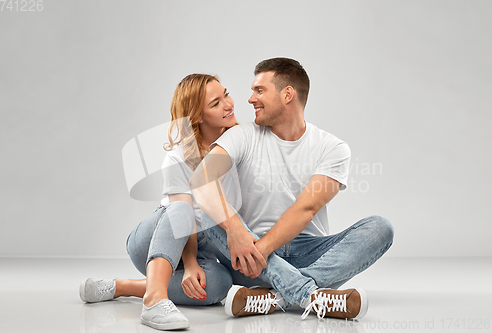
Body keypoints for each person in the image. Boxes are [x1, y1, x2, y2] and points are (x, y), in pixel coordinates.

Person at [190, 58, 394, 321]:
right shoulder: (241, 135)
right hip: (247, 257)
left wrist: (261, 251)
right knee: (209, 213)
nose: (251, 99)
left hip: (301, 254)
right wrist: (235, 229)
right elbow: (200, 180)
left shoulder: (332, 148)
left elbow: (305, 209)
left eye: (259, 90)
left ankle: (274, 297)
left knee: (380, 228)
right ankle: (311, 295)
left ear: (288, 94)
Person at [79, 74, 239, 330]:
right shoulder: (178, 158)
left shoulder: (237, 145)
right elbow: (181, 216)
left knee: (220, 284)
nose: (229, 104)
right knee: (181, 209)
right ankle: (154, 301)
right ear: (197, 116)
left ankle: (123, 287)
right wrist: (189, 264)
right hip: (158, 237)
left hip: (202, 245)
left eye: (227, 94)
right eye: (216, 103)